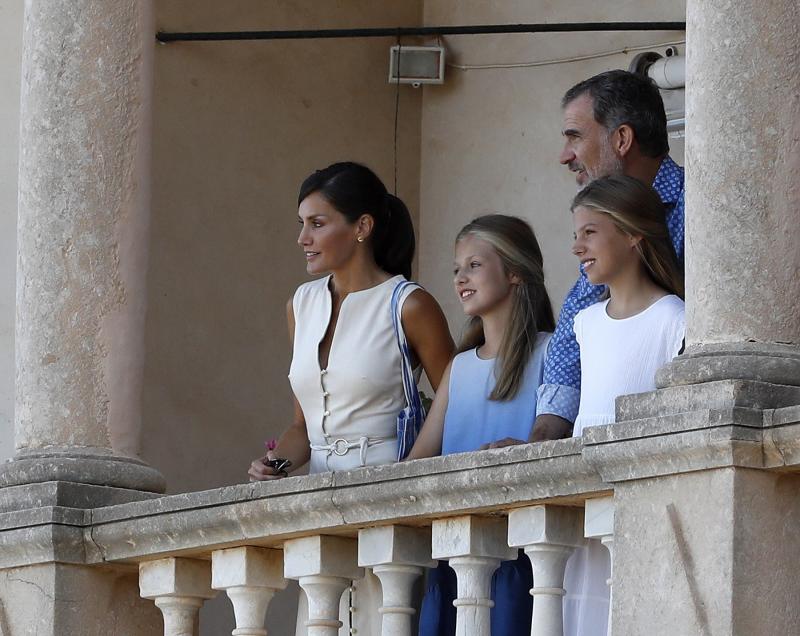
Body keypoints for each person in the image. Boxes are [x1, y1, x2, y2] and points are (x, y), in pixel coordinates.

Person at [247, 161, 454, 635]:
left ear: (362, 227)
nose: (303, 237)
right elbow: (302, 426)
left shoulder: (409, 303)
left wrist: (412, 470)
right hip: (319, 506)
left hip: (390, 496)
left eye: (317, 224)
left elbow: (454, 400)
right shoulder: (300, 304)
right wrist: (276, 464)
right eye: (301, 224)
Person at [405, 214, 556, 636]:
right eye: (456, 269)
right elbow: (418, 460)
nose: (460, 277)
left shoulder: (551, 352)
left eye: (474, 265)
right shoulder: (459, 367)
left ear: (514, 272)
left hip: (518, 555)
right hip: (452, 553)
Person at [531, 69, 686, 442]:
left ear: (621, 139)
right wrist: (543, 435)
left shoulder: (702, 210)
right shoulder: (601, 230)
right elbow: (573, 337)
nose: (564, 156)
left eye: (575, 137)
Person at [563, 174, 685, 635]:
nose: (577, 247)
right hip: (585, 511)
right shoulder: (585, 323)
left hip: (636, 511)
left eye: (590, 232)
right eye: (575, 234)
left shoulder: (673, 319)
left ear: (634, 234)